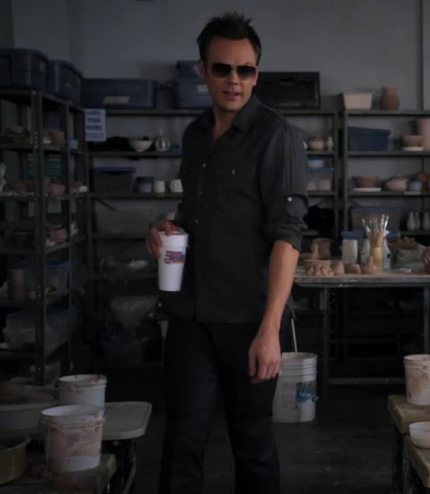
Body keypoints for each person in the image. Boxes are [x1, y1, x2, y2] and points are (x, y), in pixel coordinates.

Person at [145, 12, 307, 494]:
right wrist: (166, 228)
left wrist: (271, 330)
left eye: (245, 70)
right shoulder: (195, 135)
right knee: (182, 438)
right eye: (222, 69)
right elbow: (193, 213)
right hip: (191, 314)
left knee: (252, 441)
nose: (234, 81)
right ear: (203, 70)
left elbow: (287, 236)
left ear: (256, 74)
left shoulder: (277, 137)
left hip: (248, 320)